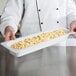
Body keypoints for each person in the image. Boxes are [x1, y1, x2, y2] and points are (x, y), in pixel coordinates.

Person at [0, 0, 76, 76]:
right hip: (29, 48)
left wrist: (74, 20)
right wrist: (8, 26)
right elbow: (12, 12)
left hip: (58, 47)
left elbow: (71, 10)